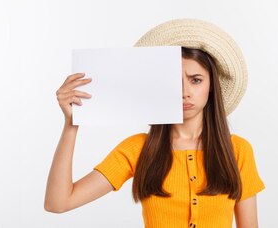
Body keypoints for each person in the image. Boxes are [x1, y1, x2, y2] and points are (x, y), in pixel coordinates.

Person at [44, 18, 265, 228]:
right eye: (174, 81)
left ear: (211, 86)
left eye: (195, 80)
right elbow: (58, 202)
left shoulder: (237, 151)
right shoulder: (138, 149)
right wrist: (71, 125)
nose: (185, 93)